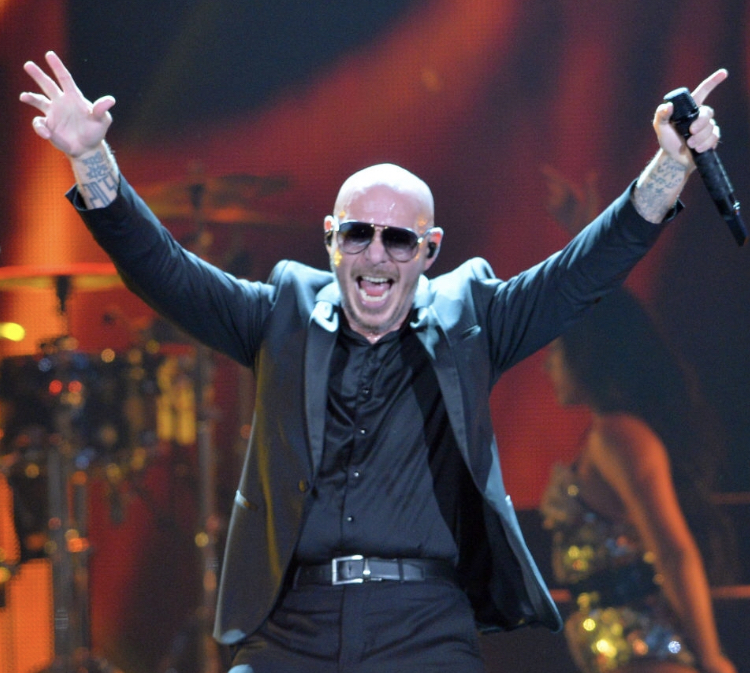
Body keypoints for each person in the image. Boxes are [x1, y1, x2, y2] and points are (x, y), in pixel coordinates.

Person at [19, 51, 727, 673]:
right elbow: (165, 270)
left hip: (423, 627)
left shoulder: (472, 318)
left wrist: (670, 165)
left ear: (430, 250)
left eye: (398, 239)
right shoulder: (281, 314)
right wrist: (91, 159)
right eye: (358, 234)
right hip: (291, 628)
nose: (376, 255)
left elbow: (581, 273)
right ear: (332, 239)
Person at [541, 288, 737, 673]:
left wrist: (711, 658)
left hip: (648, 655)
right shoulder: (609, 435)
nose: (547, 366)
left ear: (586, 352)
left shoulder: (619, 436)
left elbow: (672, 549)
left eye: (556, 350)